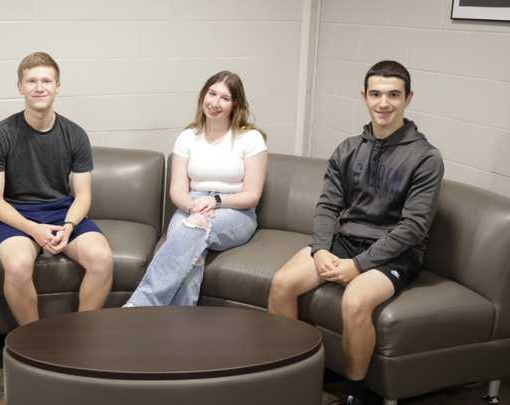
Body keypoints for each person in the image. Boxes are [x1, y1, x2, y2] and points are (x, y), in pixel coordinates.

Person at [268, 60, 444, 405]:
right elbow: (328, 207)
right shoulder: (348, 149)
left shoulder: (426, 158)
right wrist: (320, 250)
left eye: (393, 95)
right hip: (344, 240)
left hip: (395, 252)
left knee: (355, 300)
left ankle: (353, 395)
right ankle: (297, 381)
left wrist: (359, 265)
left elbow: (414, 227)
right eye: (376, 94)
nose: (384, 103)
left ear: (408, 98)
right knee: (281, 283)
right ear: (363, 97)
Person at [0, 52, 113, 325]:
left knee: (102, 259)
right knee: (17, 267)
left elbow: (83, 194)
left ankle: (83, 335)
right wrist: (34, 230)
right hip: (15, 215)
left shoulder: (75, 134)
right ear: (20, 87)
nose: (39, 87)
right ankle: (34, 341)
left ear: (57, 86)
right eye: (31, 81)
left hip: (61, 212)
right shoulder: (0, 134)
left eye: (46, 81)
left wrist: (68, 225)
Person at [124, 71, 267, 307]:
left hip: (235, 210)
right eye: (212, 93)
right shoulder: (188, 137)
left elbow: (251, 195)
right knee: (194, 252)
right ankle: (180, 330)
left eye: (225, 98)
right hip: (191, 205)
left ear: (235, 105)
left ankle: (139, 306)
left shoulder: (250, 139)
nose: (215, 102)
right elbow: (178, 190)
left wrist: (216, 201)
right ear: (203, 95)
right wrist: (194, 206)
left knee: (194, 228)